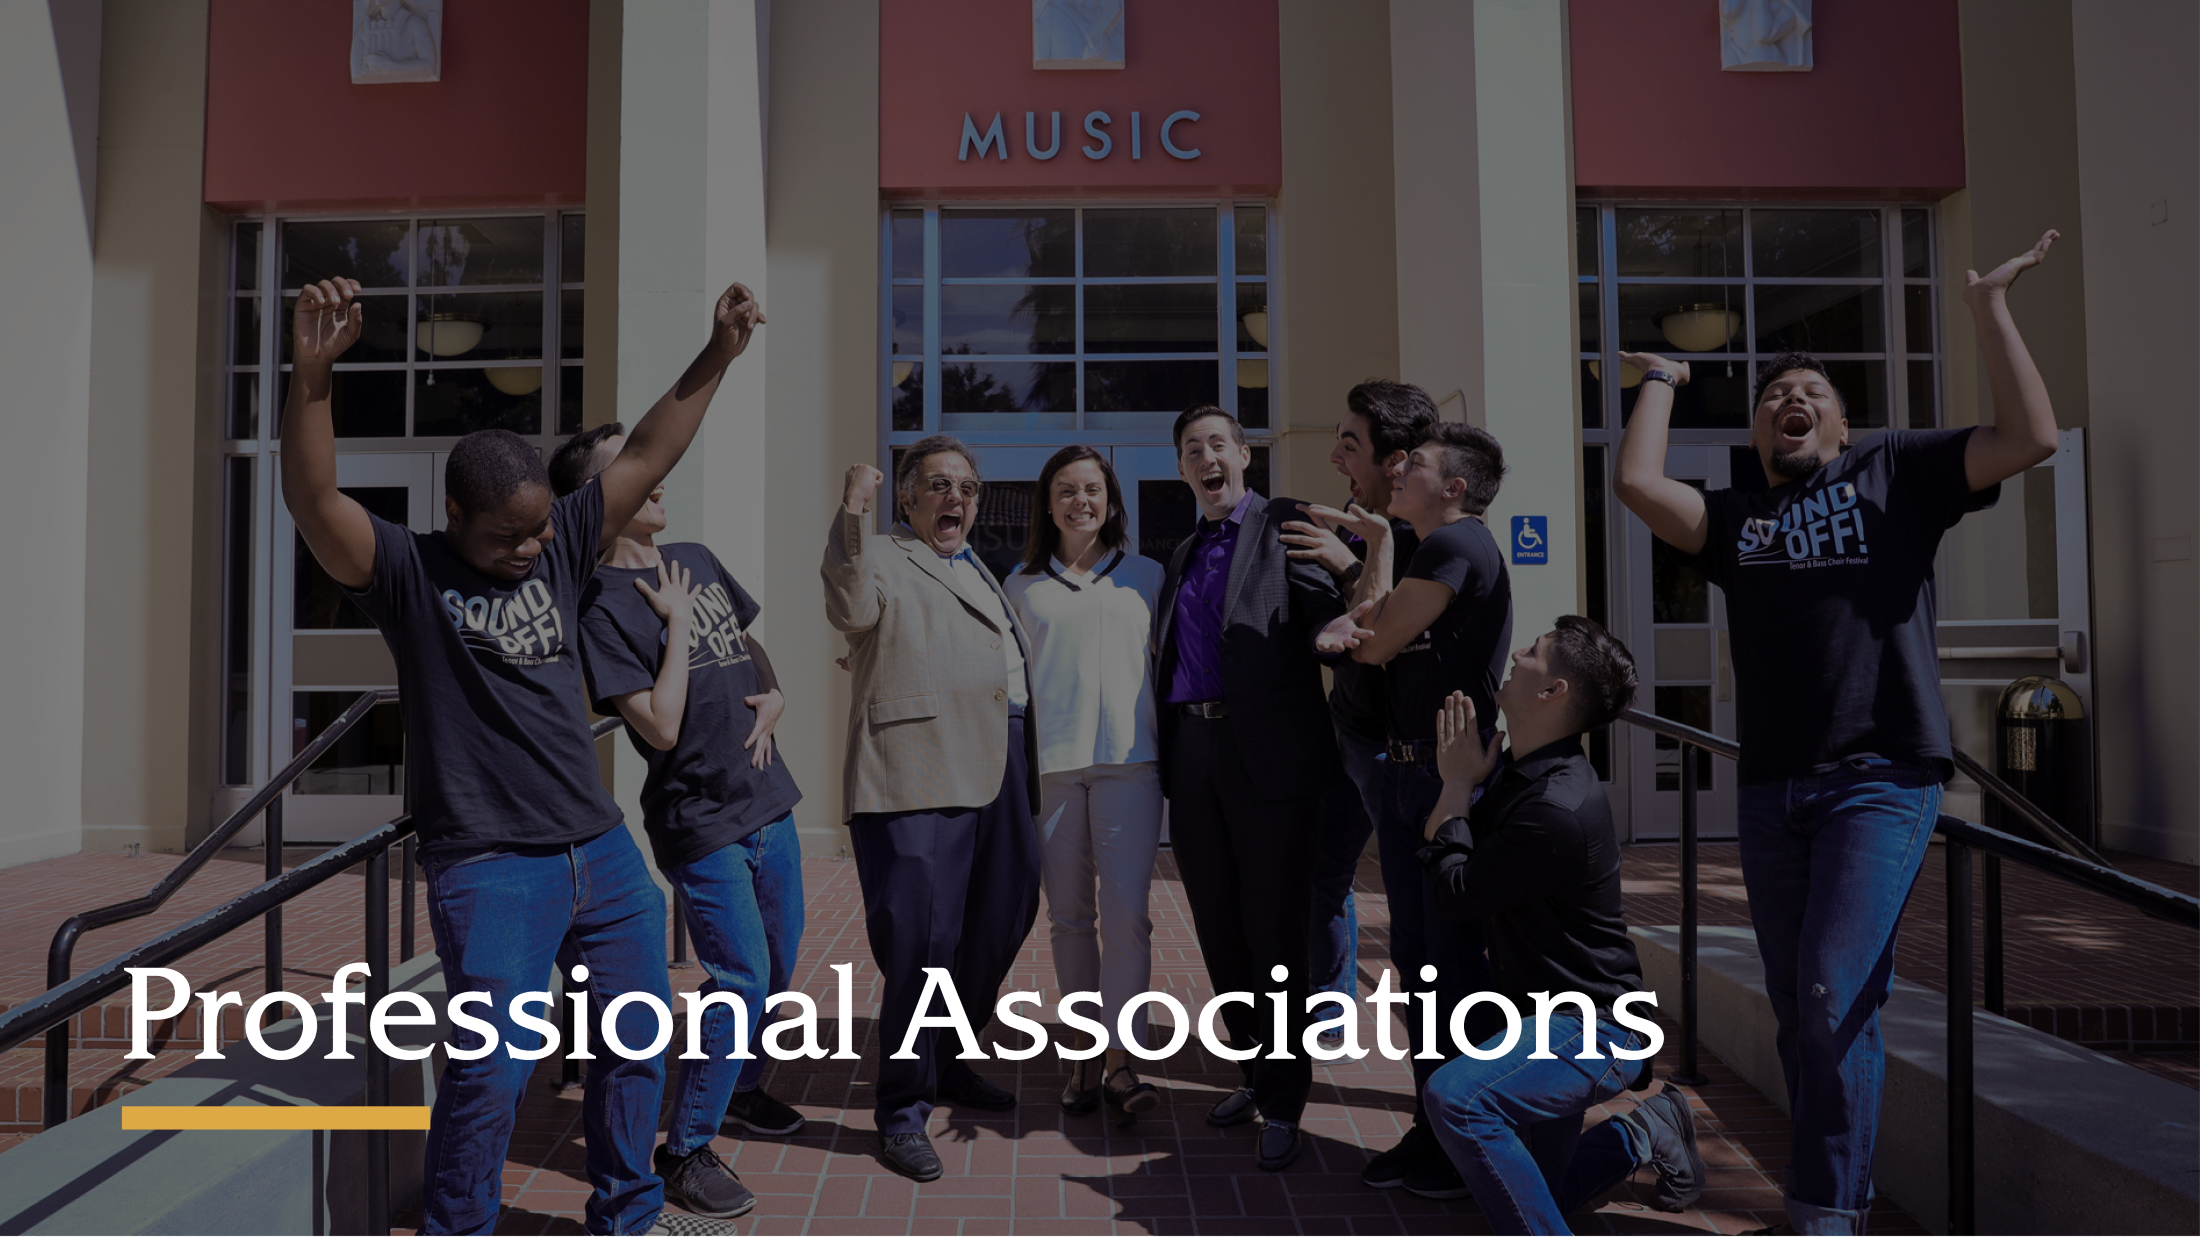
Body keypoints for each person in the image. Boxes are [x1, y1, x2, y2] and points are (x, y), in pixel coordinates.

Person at [281, 276, 763, 1237]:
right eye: (509, 534)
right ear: (454, 514)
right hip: (490, 864)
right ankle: (461, 1226)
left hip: (602, 848)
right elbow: (313, 494)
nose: (532, 546)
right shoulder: (407, 571)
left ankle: (630, 1212)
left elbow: (657, 443)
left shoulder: (565, 539)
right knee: (491, 1069)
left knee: (636, 1044)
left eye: (543, 526)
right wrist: (312, 376)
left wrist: (719, 353)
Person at [1611, 231, 2064, 1237]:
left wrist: (1989, 307)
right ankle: (1823, 1202)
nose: (1790, 399)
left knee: (1829, 996)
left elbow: (2030, 438)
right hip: (1774, 785)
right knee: (1798, 1006)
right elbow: (1639, 487)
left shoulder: (1894, 474)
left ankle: (1827, 1216)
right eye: (1774, 393)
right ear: (1758, 427)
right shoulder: (1736, 520)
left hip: (1881, 774)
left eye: (1809, 388)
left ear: (1843, 420)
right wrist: (1664, 382)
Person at [550, 423, 806, 1223]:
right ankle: (686, 1146)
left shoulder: (693, 558)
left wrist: (778, 691)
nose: (657, 475)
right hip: (701, 819)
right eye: (634, 466)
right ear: (598, 499)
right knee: (741, 978)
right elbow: (657, 728)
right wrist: (681, 627)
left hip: (770, 797)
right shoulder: (597, 608)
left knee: (777, 969)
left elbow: (749, 641)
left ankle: (730, 1088)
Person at [1417, 620, 1705, 1234]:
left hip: (1593, 1030)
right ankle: (1646, 1130)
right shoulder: (1520, 769)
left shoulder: (1555, 808)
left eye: (1533, 652)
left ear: (1553, 691)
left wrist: (1456, 785)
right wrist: (1461, 788)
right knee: (1537, 1192)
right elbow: (1442, 848)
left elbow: (1452, 888)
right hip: (1539, 1018)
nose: (1517, 654)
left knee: (1457, 1099)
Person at [822, 435, 1043, 1183]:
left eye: (970, 487)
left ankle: (948, 1057)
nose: (958, 498)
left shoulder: (977, 565)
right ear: (909, 499)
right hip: (916, 771)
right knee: (921, 944)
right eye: (940, 485)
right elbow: (850, 604)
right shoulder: (882, 552)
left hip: (1000, 761)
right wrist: (851, 509)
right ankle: (902, 1108)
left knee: (1003, 914)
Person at [1312, 421, 1512, 1198]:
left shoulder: (1458, 544)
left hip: (1443, 778)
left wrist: (1356, 628)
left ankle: (1468, 1133)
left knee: (1452, 968)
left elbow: (1373, 640)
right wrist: (1362, 622)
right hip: (1408, 773)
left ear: (1455, 486)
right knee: (1424, 966)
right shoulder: (1435, 550)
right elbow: (1377, 622)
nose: (1399, 470)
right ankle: (1439, 1127)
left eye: (1416, 463)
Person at [1150, 405, 1347, 1172]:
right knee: (1220, 927)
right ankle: (1254, 1076)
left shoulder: (1286, 524)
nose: (1206, 457)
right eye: (1191, 449)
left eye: (1217, 444)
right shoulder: (1184, 552)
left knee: (1275, 933)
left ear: (1243, 456)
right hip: (1194, 750)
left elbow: (1334, 615)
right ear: (1181, 469)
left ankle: (1286, 1102)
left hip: (1269, 757)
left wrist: (1347, 585)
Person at [1001, 446, 1168, 1122]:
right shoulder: (1019, 585)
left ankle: (1123, 1060)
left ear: (1111, 498)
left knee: (1128, 916)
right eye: (1066, 490)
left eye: (1092, 489)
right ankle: (1082, 1048)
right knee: (1069, 918)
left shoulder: (1151, 576)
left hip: (1133, 766)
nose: (1080, 501)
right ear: (1047, 502)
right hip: (1053, 772)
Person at [1278, 381, 1439, 1041]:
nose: (1337, 458)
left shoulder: (1436, 538)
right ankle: (1330, 1014)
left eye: (1351, 444)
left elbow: (1384, 636)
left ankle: (1446, 1078)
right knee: (1323, 879)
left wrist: (1352, 564)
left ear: (1395, 459)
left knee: (1422, 918)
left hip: (1403, 753)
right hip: (1346, 733)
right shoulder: (1356, 519)